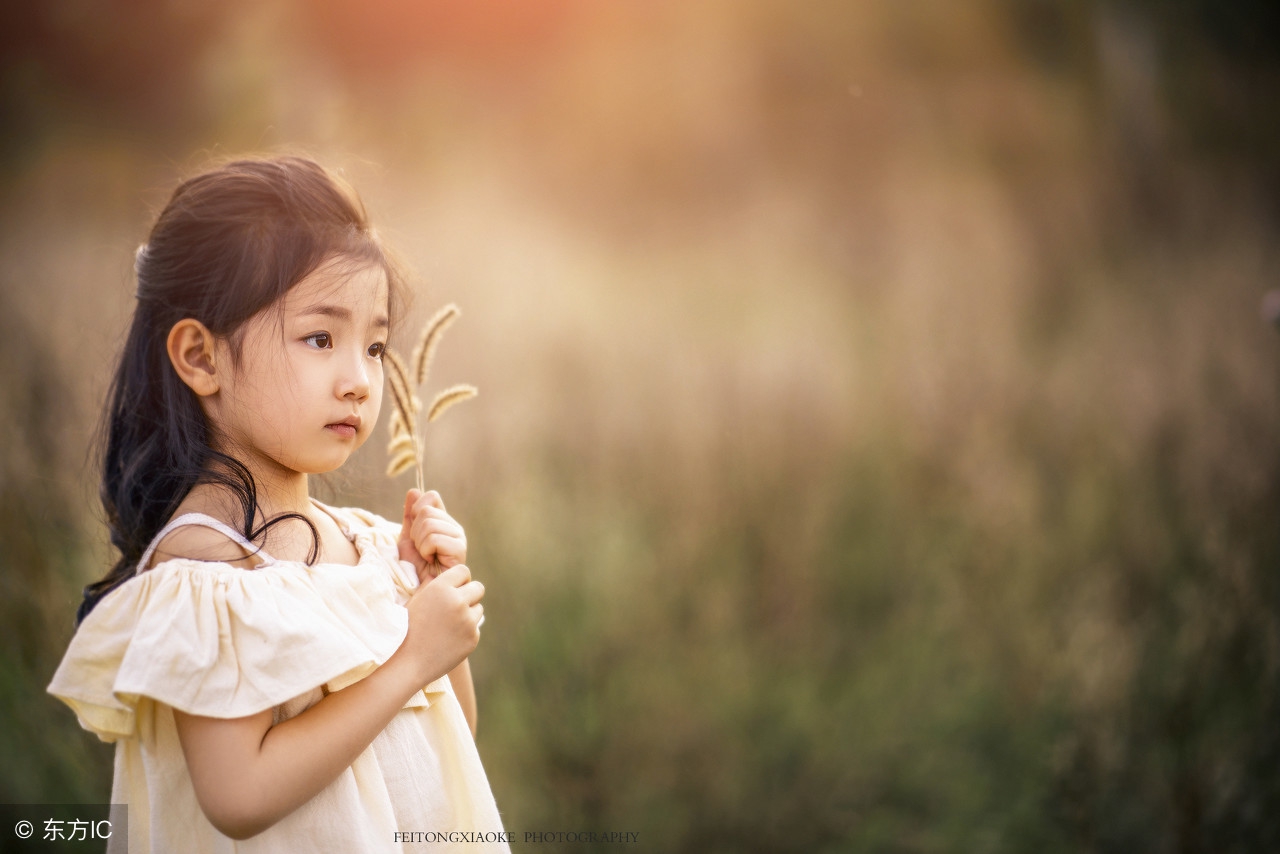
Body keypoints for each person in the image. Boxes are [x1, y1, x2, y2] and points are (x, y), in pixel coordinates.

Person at [46, 156, 509, 852]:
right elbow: (238, 795)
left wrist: (430, 593)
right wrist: (413, 656)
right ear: (201, 357)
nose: (358, 380)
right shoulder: (208, 568)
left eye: (376, 346)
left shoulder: (369, 546)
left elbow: (443, 747)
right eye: (321, 338)